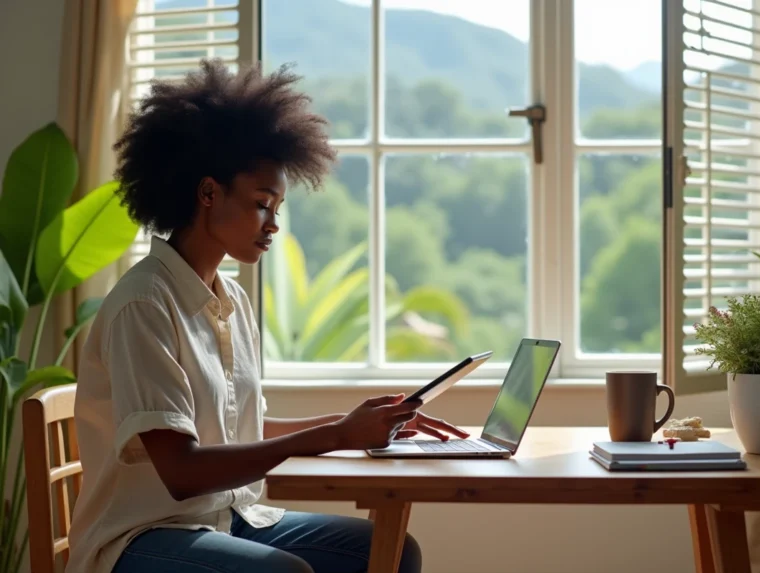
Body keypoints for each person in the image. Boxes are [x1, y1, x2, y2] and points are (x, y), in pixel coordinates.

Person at [67, 59, 469, 573]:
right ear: (208, 193)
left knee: (389, 552)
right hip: (141, 537)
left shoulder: (230, 299)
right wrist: (337, 436)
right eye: (262, 204)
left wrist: (357, 422)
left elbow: (240, 427)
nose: (273, 224)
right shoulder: (144, 303)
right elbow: (181, 470)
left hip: (225, 517)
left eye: (277, 207)